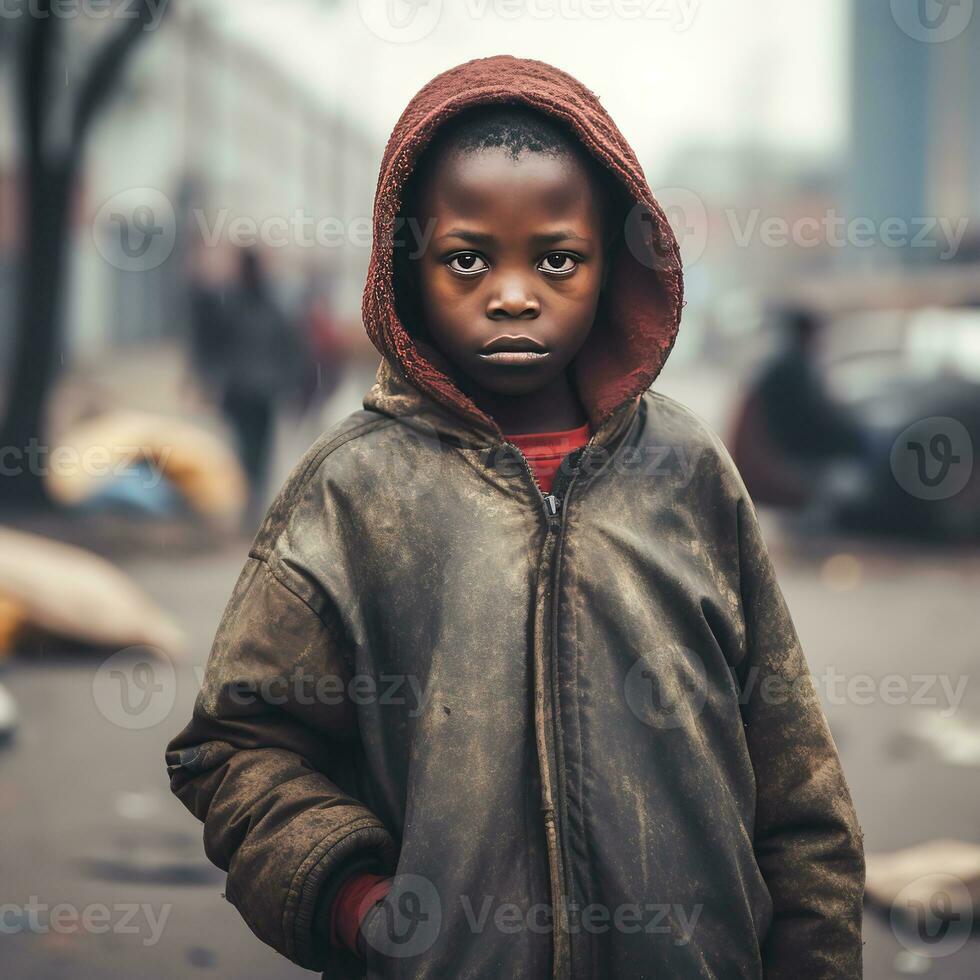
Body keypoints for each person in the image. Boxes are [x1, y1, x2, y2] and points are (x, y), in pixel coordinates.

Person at [166, 57, 865, 979]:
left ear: (613, 260)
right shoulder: (352, 493)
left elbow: (794, 777)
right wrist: (355, 901)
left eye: (556, 258)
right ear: (404, 266)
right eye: (466, 257)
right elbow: (236, 745)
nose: (512, 292)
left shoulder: (687, 472)